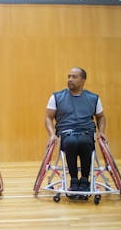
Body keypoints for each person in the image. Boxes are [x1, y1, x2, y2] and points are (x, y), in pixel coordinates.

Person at [44, 67, 107, 198]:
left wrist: (101, 132)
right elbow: (48, 118)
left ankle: (84, 180)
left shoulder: (93, 98)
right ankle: (73, 180)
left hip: (86, 132)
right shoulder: (56, 96)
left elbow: (101, 117)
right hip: (67, 133)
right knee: (72, 142)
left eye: (74, 77)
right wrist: (52, 134)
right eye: (69, 76)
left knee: (84, 142)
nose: (70, 79)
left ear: (83, 80)